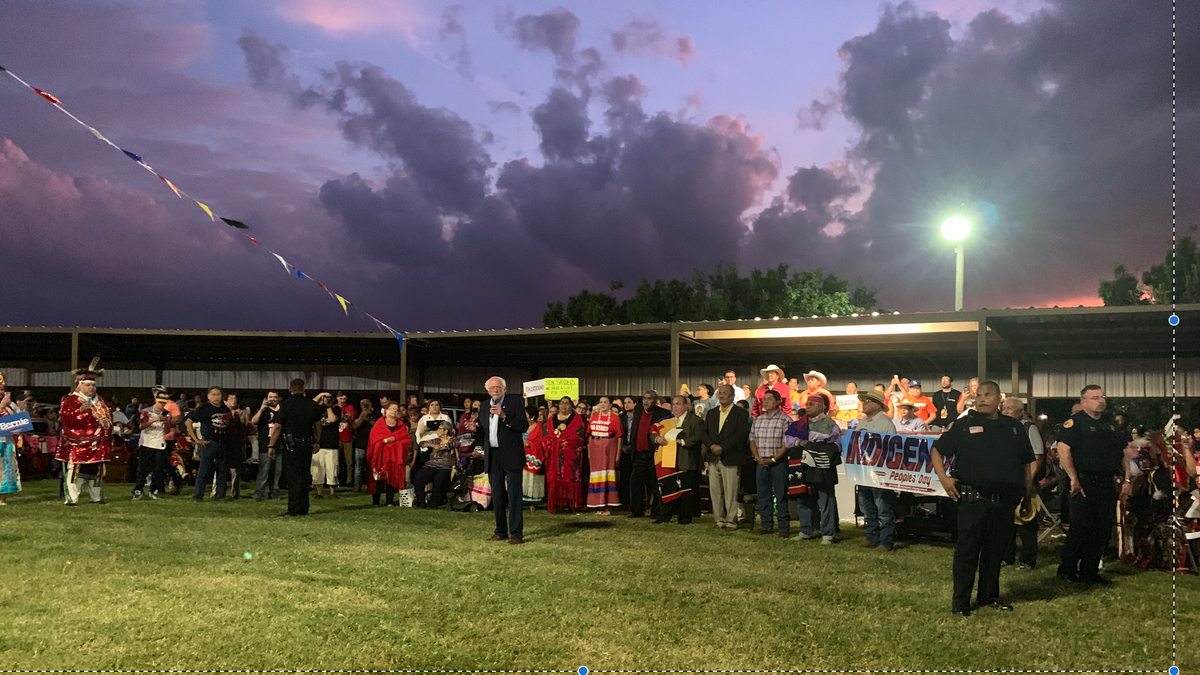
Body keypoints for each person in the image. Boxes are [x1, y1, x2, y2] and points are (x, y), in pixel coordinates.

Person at [932, 381, 1036, 616]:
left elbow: (1025, 461)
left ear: (999, 398)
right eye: (978, 395)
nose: (981, 399)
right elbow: (938, 450)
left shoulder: (1014, 427)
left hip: (1004, 501)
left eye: (987, 395)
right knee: (967, 553)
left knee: (995, 552)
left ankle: (989, 596)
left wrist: (1028, 492)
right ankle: (961, 603)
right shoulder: (965, 424)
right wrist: (944, 478)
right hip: (973, 500)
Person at [1056, 385, 1131, 585]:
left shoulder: (1110, 425)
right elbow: (1063, 450)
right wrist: (1073, 478)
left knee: (1101, 529)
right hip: (1083, 482)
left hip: (1106, 483)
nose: (1101, 401)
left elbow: (1124, 452)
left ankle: (1090, 571)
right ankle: (1068, 568)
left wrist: (1127, 479)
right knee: (1080, 527)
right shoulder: (1075, 423)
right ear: (1084, 402)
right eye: (1095, 397)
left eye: (1103, 397)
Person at [58, 359, 115, 506]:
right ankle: (72, 498)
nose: (91, 388)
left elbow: (108, 417)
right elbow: (66, 419)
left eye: (93, 385)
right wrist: (80, 411)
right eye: (88, 385)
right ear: (80, 385)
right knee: (76, 471)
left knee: (97, 472)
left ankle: (96, 498)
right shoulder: (70, 400)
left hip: (99, 444)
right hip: (79, 444)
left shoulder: (100, 400)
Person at [479, 377, 529, 544]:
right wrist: (475, 430)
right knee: (498, 495)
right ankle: (500, 531)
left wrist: (504, 416)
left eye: (498, 388)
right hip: (493, 455)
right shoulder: (485, 405)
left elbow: (523, 426)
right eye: (492, 388)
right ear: (488, 391)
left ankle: (516, 533)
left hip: (511, 455)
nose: (495, 391)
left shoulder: (515, 402)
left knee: (514, 495)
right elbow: (484, 431)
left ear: (504, 389)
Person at [788, 393, 843, 543]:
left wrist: (816, 446)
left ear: (821, 406)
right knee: (804, 498)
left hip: (822, 466)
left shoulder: (831, 424)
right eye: (807, 404)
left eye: (811, 404)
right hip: (802, 465)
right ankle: (805, 531)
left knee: (825, 499)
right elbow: (787, 439)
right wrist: (800, 442)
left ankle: (828, 534)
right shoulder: (799, 424)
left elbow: (837, 445)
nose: (807, 407)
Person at [267, 379, 324, 517]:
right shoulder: (312, 405)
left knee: (293, 477)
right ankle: (304, 507)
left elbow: (278, 426)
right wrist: (316, 441)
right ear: (303, 389)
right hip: (307, 443)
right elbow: (318, 425)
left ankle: (294, 509)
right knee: (305, 475)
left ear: (290, 389)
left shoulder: (285, 405)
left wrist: (271, 444)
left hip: (291, 444)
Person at [700, 383, 751, 530]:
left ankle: (731, 521)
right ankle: (719, 520)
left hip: (731, 457)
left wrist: (722, 448)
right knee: (715, 491)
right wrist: (711, 446)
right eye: (719, 393)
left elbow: (740, 434)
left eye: (724, 393)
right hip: (713, 457)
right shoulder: (711, 412)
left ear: (732, 396)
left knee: (731, 491)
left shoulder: (740, 413)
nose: (721, 395)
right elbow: (704, 432)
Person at [1001, 397, 1045, 569]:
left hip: (1025, 482)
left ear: (1020, 411)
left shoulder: (1029, 428)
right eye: (1004, 408)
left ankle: (1027, 560)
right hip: (1007, 481)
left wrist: (1029, 481)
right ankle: (1007, 556)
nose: (1005, 411)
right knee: (1006, 522)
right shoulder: (1003, 428)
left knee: (1026, 522)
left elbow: (1038, 456)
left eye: (1010, 408)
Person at [650, 395, 705, 524]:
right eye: (673, 404)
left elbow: (698, 437)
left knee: (685, 491)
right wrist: (657, 439)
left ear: (686, 406)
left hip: (686, 460)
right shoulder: (666, 421)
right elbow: (652, 433)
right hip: (668, 461)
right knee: (666, 487)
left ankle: (685, 517)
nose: (675, 406)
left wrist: (682, 441)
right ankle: (664, 516)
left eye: (678, 404)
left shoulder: (696, 421)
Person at [855, 390, 898, 551]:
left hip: (879, 472)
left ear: (878, 405)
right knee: (868, 506)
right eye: (864, 401)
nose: (864, 404)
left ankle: (885, 541)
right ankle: (872, 537)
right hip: (864, 471)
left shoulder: (886, 423)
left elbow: (891, 448)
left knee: (882, 507)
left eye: (868, 401)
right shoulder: (862, 422)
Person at [750, 390, 791, 536]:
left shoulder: (785, 420)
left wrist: (774, 459)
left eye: (769, 399)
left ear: (778, 401)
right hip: (761, 462)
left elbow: (787, 443)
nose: (765, 402)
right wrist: (757, 457)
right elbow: (752, 440)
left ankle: (783, 527)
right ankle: (766, 525)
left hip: (778, 463)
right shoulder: (758, 420)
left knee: (780, 495)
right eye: (763, 399)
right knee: (763, 495)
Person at [626, 390, 673, 518]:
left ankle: (656, 511)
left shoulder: (663, 414)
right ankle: (636, 511)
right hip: (639, 455)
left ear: (655, 400)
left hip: (654, 454)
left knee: (655, 485)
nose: (646, 401)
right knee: (635, 483)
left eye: (649, 399)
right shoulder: (638, 412)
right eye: (644, 398)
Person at [186, 387, 232, 502]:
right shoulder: (204, 408)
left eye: (218, 394)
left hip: (223, 443)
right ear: (208, 396)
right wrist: (196, 439)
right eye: (214, 394)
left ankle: (220, 496)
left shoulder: (225, 409)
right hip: (209, 443)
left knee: (222, 471)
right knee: (204, 471)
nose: (216, 397)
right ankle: (198, 496)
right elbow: (188, 421)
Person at [543, 396, 587, 513]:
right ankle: (557, 504)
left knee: (569, 478)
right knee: (555, 479)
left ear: (571, 406)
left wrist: (565, 442)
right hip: (554, 456)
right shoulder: (552, 419)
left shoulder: (576, 420)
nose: (564, 406)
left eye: (567, 403)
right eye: (562, 403)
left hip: (570, 455)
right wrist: (553, 442)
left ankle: (570, 503)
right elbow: (546, 435)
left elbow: (579, 436)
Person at [368, 401, 411, 507]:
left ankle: (390, 501)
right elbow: (374, 439)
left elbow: (407, 440)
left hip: (394, 457)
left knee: (392, 477)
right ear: (386, 411)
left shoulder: (402, 426)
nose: (394, 411)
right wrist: (386, 441)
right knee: (378, 478)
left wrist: (395, 441)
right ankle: (376, 501)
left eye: (396, 409)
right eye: (392, 408)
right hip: (380, 456)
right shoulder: (379, 425)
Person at [586, 396, 623, 515]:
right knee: (596, 475)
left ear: (610, 405)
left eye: (605, 402)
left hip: (608, 449)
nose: (602, 404)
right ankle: (598, 504)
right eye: (601, 402)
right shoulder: (594, 417)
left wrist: (618, 455)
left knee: (607, 475)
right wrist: (589, 451)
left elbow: (619, 437)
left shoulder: (614, 418)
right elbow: (589, 435)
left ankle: (607, 505)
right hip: (595, 449)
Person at [132, 393, 170, 501]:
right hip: (146, 442)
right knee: (143, 468)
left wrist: (166, 422)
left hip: (159, 443)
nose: (162, 405)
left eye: (164, 403)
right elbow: (141, 426)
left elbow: (166, 431)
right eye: (160, 402)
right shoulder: (146, 411)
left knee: (158, 469)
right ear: (155, 400)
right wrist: (154, 420)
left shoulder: (166, 413)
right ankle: (138, 490)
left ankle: (154, 490)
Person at [251, 392, 283, 501]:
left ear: (279, 398)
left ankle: (274, 491)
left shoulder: (282, 410)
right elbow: (253, 421)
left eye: (275, 397)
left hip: (279, 444)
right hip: (265, 444)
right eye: (270, 397)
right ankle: (259, 492)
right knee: (264, 470)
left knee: (277, 470)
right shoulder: (264, 411)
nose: (273, 399)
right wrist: (261, 409)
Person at [220, 392, 249, 499]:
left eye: (235, 398)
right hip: (224, 444)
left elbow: (244, 429)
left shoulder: (239, 414)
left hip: (236, 444)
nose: (234, 400)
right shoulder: (222, 414)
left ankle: (235, 492)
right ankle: (218, 492)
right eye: (231, 398)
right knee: (221, 469)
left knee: (236, 470)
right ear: (225, 401)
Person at [311, 393, 340, 499]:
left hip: (331, 444)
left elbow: (332, 419)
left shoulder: (336, 410)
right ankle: (319, 493)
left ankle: (332, 492)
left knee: (332, 469)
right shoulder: (316, 410)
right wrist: (320, 397)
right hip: (318, 444)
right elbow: (310, 404)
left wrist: (328, 407)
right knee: (317, 470)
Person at [0, 372, 23, 505]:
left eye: (3, 389)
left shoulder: (11, 405)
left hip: (6, 441)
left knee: (7, 469)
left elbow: (20, 420)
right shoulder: (4, 405)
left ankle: (3, 497)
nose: (2, 392)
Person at [351, 399, 378, 492]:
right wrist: (362, 417)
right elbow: (354, 426)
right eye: (362, 404)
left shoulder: (377, 413)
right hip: (360, 444)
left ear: (370, 404)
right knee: (358, 467)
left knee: (372, 467)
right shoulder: (358, 413)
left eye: (366, 404)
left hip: (372, 443)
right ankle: (357, 488)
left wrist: (369, 419)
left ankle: (371, 487)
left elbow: (378, 426)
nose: (364, 406)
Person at [522, 407, 546, 506]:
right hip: (521, 455)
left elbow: (540, 442)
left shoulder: (539, 428)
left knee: (532, 478)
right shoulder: (522, 426)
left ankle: (532, 500)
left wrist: (529, 443)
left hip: (533, 456)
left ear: (532, 417)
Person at [334, 392, 356, 487]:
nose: (343, 401)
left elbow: (352, 418)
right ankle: (335, 480)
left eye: (344, 399)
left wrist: (348, 417)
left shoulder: (350, 407)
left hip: (348, 437)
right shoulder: (334, 408)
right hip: (336, 437)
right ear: (337, 398)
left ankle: (349, 480)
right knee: (336, 461)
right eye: (341, 399)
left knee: (349, 461)